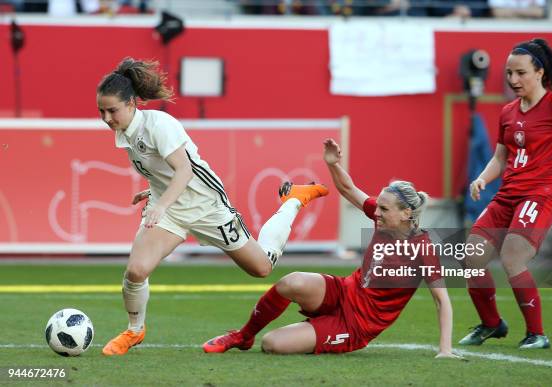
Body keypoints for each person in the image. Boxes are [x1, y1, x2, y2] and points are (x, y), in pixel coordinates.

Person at [97, 57, 328, 356]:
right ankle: (134, 330)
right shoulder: (124, 131)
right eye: (101, 111)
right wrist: (153, 193)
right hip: (172, 209)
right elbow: (163, 170)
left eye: (112, 110)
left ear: (131, 104)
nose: (106, 117)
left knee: (262, 267)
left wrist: (161, 204)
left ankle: (293, 200)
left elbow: (185, 171)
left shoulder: (159, 125)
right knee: (136, 271)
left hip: (206, 204)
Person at [202, 138, 458, 358]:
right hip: (345, 291)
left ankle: (318, 330)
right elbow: (348, 189)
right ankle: (243, 336)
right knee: (292, 282)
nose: (375, 212)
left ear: (406, 214)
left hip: (357, 324)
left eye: (384, 209)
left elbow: (442, 301)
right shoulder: (383, 222)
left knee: (272, 344)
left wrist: (445, 349)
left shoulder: (422, 249)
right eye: (377, 206)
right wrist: (332, 163)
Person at [459, 38, 552, 349]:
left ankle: (537, 334)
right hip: (506, 196)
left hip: (539, 196)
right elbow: (500, 157)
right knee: (470, 256)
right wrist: (482, 179)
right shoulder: (508, 111)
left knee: (513, 256)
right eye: (509, 73)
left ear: (539, 72)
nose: (513, 80)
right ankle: (492, 324)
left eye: (520, 73)